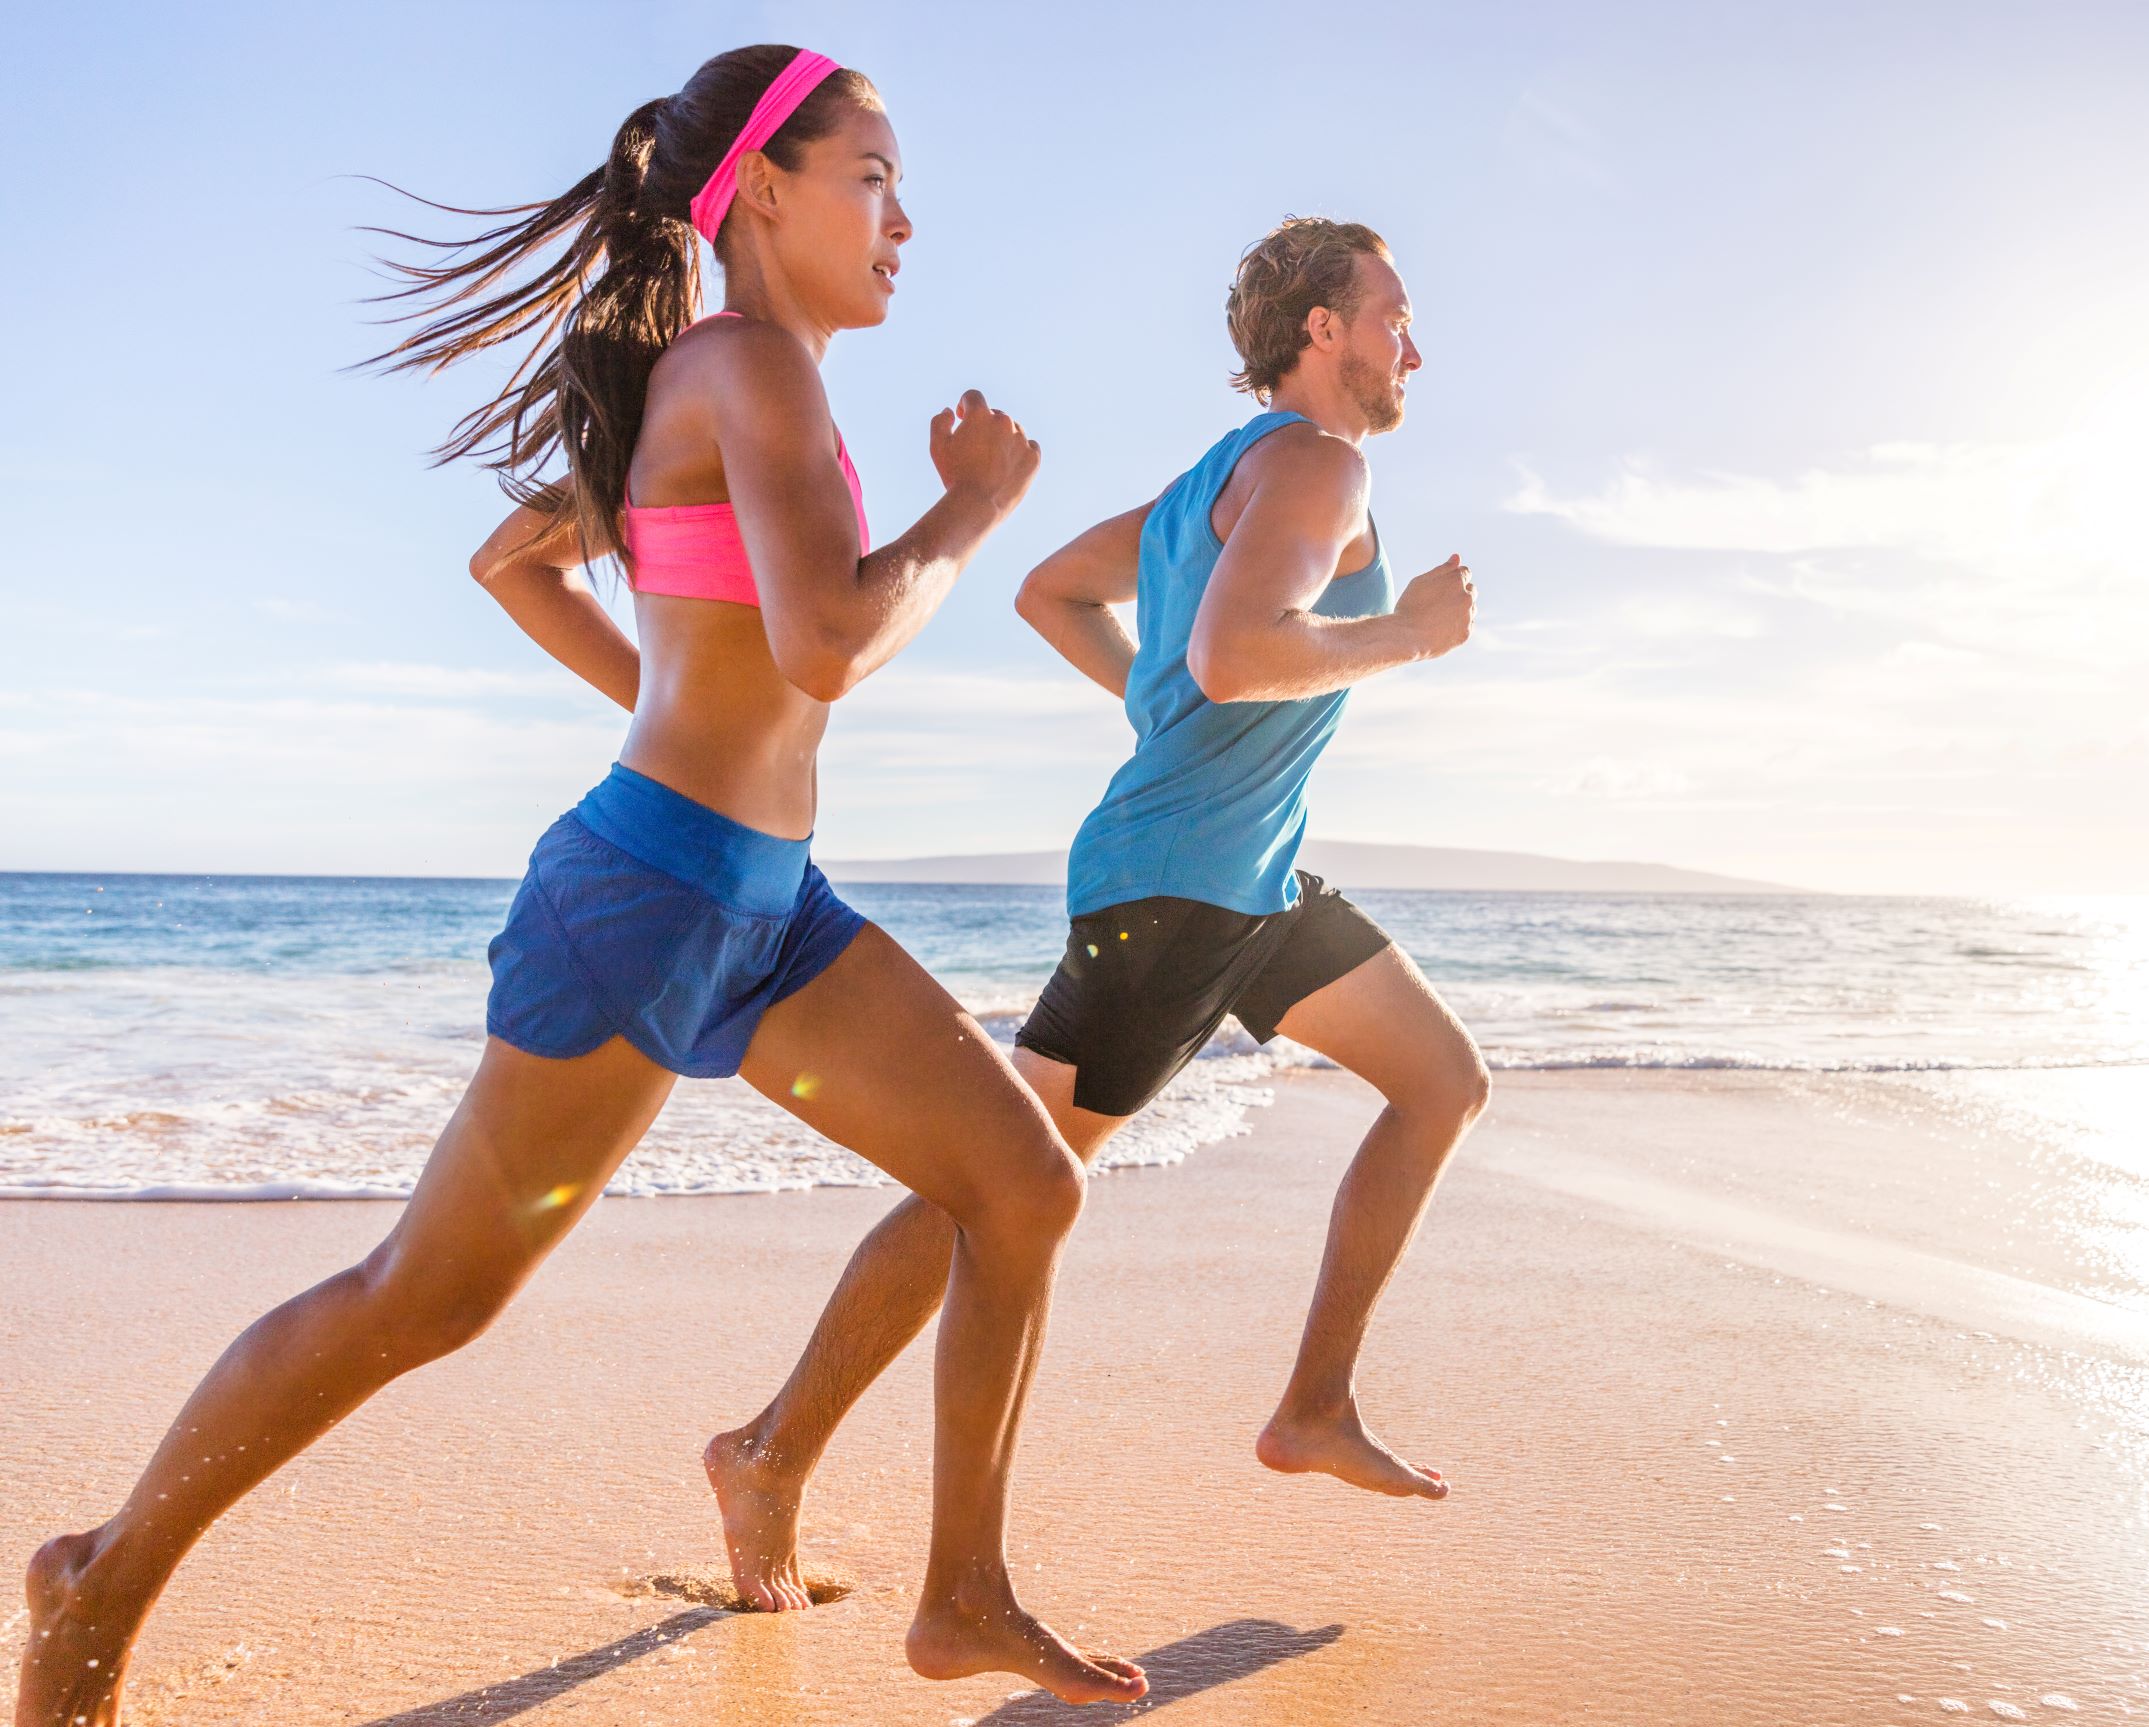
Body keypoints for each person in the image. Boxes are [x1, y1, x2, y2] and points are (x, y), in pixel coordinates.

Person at [16, 46, 1148, 1725]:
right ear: (763, 187)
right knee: (428, 1299)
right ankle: (95, 1584)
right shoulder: (747, 364)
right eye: (873, 176)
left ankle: (962, 1593)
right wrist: (970, 511)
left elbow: (513, 562)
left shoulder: (730, 381)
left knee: (1025, 1187)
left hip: (764, 905)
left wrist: (674, 702)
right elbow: (827, 643)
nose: (904, 218)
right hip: (643, 903)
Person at [701, 217, 1489, 1615]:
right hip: (1172, 895)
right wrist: (1408, 636)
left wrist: (1154, 705)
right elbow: (1241, 653)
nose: (1411, 345)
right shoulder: (1318, 463)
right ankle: (769, 1451)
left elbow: (1051, 591)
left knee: (1440, 1081)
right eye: (1392, 315)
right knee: (990, 1193)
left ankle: (1315, 1402)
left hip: (1247, 882)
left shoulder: (1216, 481)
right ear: (1322, 332)